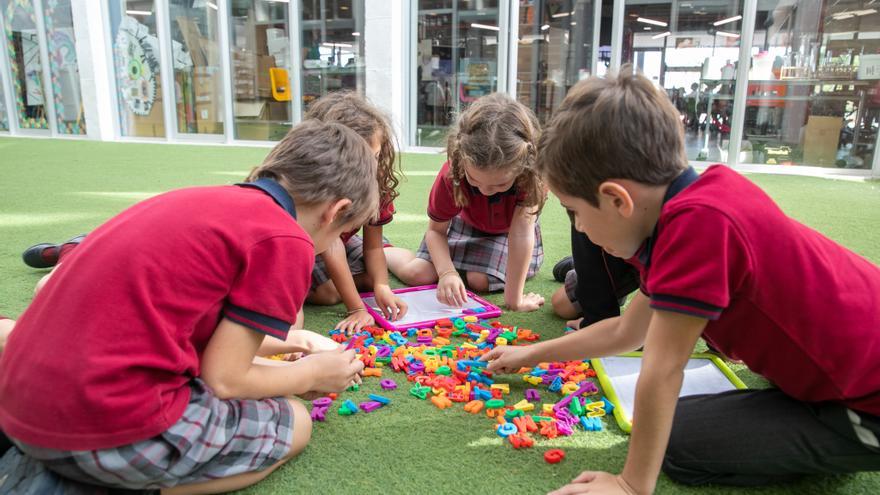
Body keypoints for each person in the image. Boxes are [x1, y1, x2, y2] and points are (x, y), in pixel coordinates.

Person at [482, 65, 880, 493]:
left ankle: (846, 440)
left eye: (575, 212)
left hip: (866, 401)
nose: (579, 228)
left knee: (679, 440)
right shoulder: (693, 207)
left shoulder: (698, 229)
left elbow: (663, 368)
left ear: (617, 199)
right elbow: (626, 331)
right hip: (847, 368)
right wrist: (534, 354)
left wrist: (631, 484)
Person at [0, 120, 377, 493]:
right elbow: (225, 380)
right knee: (296, 421)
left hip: (18, 404)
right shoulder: (285, 239)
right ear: (335, 211)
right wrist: (309, 375)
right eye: (339, 234)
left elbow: (199, 338)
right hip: (98, 425)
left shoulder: (206, 200)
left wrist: (300, 342)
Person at [385, 93, 546, 312]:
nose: (485, 191)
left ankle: (465, 267)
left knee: (479, 280)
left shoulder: (531, 177)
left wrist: (514, 301)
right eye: (474, 180)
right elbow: (436, 231)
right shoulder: (452, 174)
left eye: (500, 184)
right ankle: (382, 250)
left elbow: (521, 235)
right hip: (462, 226)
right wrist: (446, 273)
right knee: (418, 274)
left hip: (507, 233)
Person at [294, 91, 408, 335]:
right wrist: (357, 308)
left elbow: (373, 247)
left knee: (382, 272)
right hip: (313, 244)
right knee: (328, 294)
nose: (371, 168)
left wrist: (381, 285)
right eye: (362, 159)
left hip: (345, 242)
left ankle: (377, 266)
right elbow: (330, 244)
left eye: (375, 157)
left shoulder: (375, 182)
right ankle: (356, 278)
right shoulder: (320, 188)